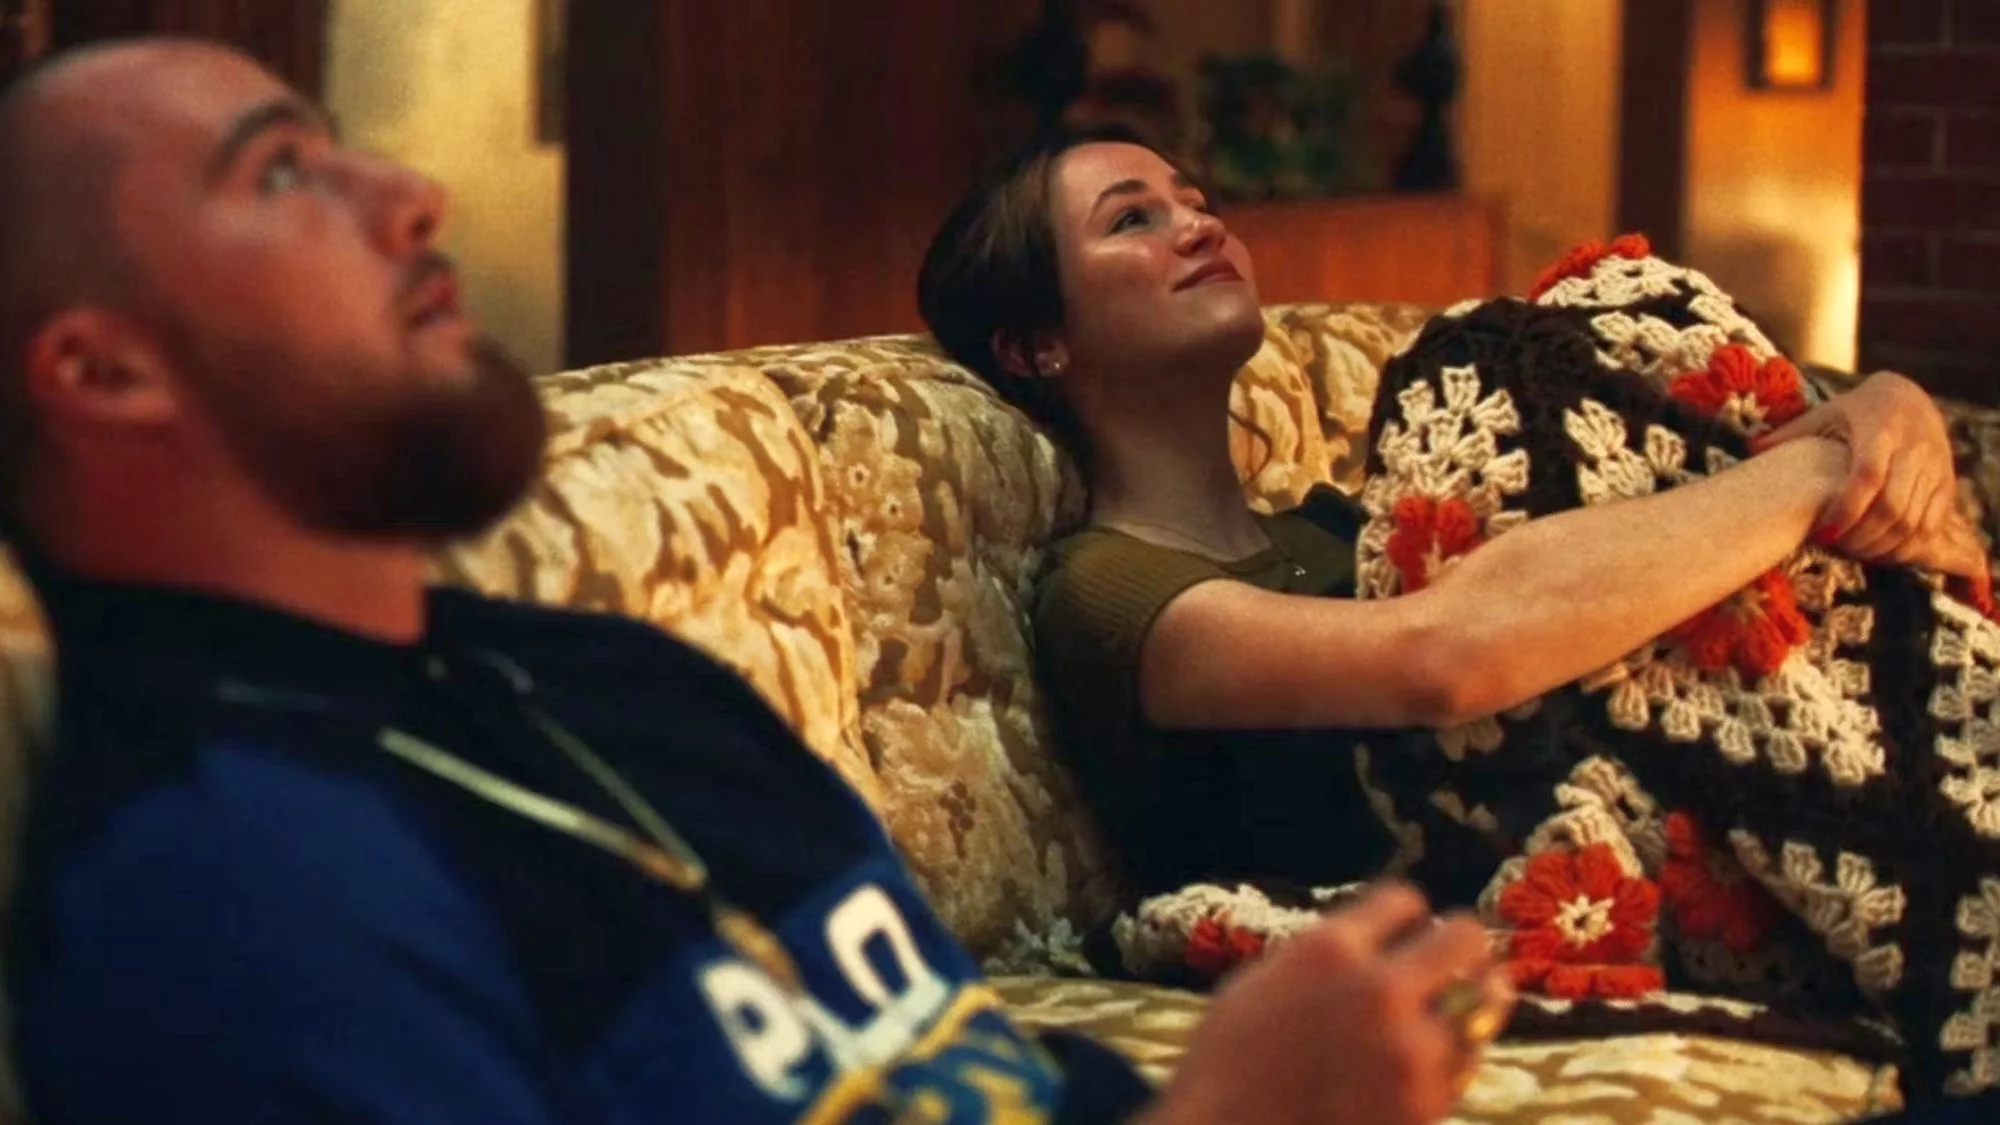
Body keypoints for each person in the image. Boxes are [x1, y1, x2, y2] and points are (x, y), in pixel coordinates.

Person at [0, 40, 1513, 1125]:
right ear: (104, 372)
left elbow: (971, 1067)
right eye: (279, 173)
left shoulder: (618, 684)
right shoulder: (224, 889)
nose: (407, 194)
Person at [916, 125, 1991, 900]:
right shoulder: (1102, 588)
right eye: (1131, 220)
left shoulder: (1337, 529)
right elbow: (1443, 659)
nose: (1196, 224)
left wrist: (1885, 412)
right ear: (1037, 346)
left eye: (1194, 201)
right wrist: (1820, 478)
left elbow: (1642, 543)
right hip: (1453, 909)